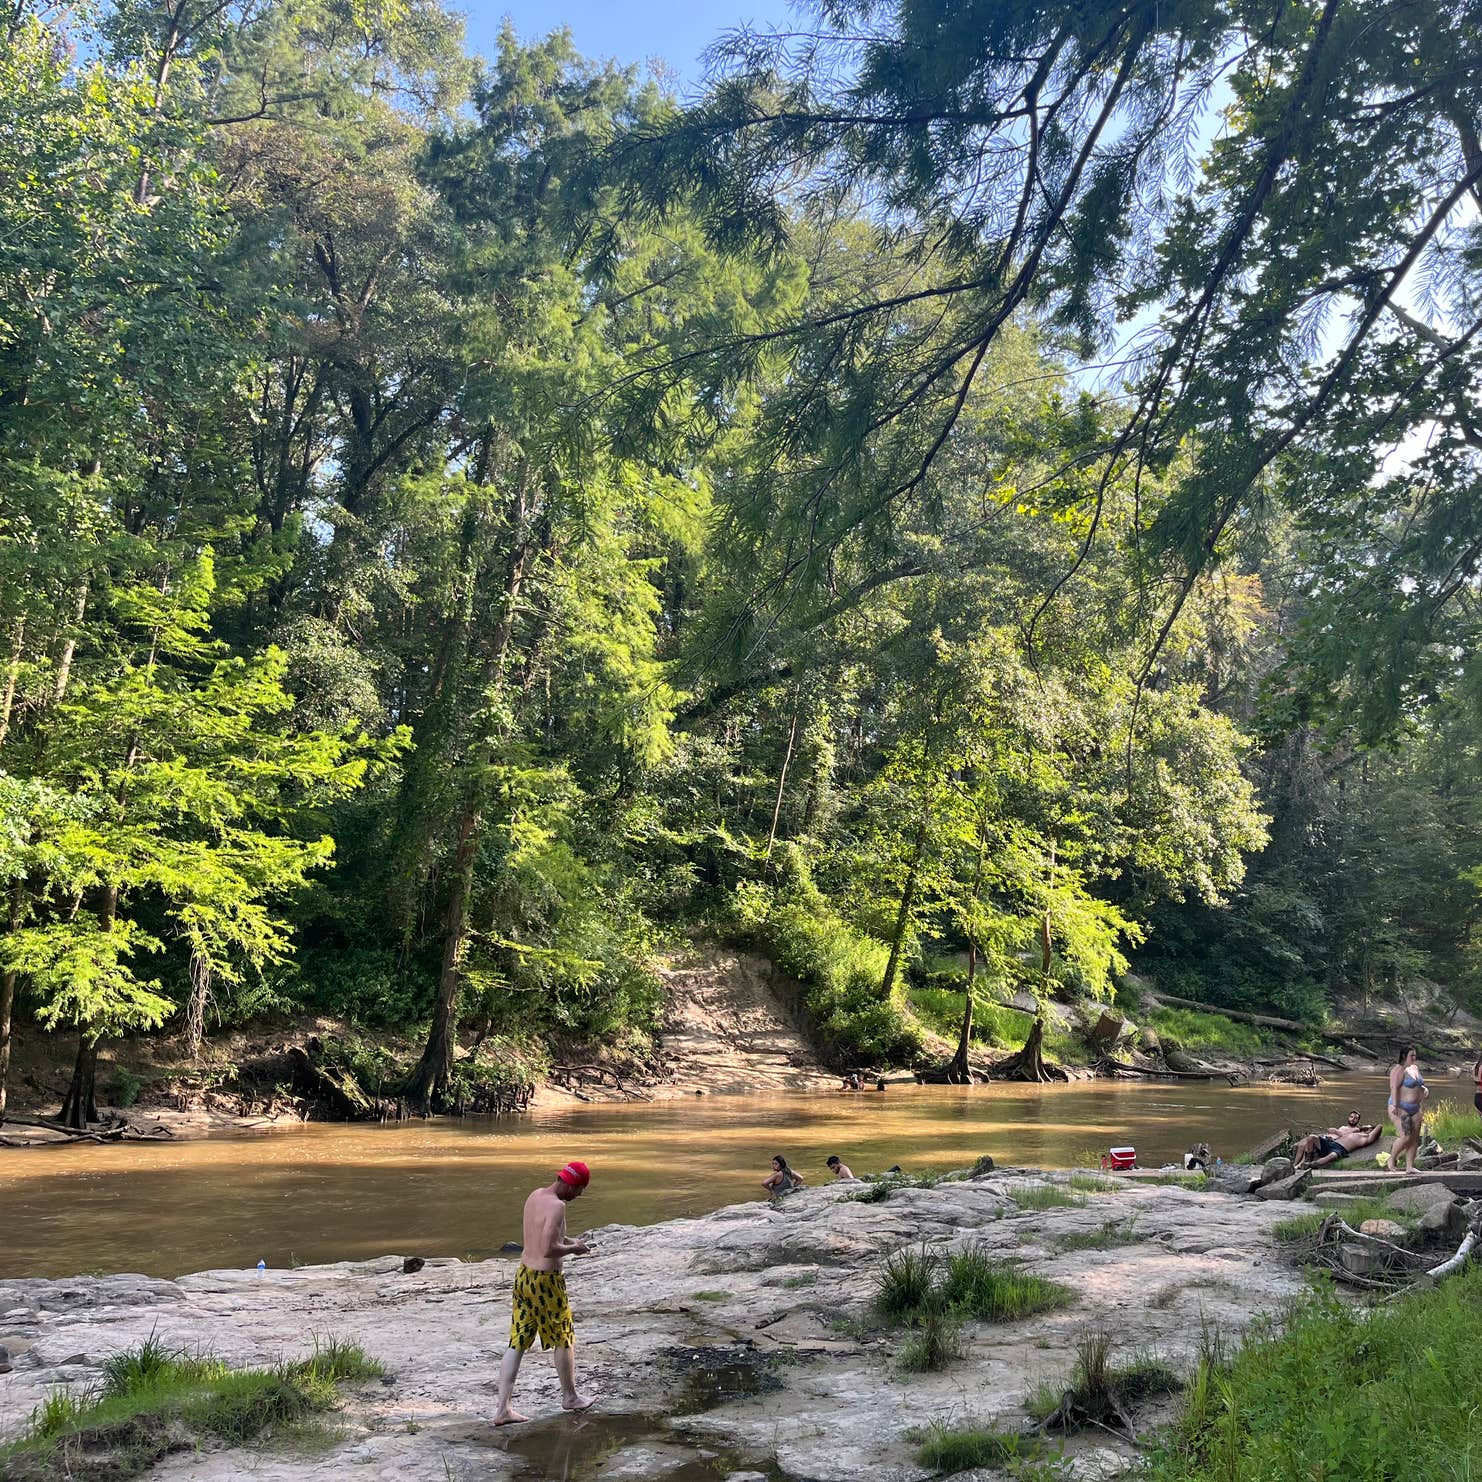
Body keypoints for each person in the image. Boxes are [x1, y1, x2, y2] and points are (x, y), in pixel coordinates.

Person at [493, 1160, 596, 1426]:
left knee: (517, 1341)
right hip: (546, 1281)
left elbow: (539, 1236)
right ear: (571, 1185)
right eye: (580, 1190)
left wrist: (571, 1240)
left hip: (524, 1276)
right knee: (564, 1336)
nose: (580, 1196)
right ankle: (570, 1397)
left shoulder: (536, 1195)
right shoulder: (559, 1206)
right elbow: (549, 1248)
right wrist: (574, 1250)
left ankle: (502, 1409)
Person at [1388, 1047, 1428, 1175]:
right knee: (1406, 1137)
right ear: (1404, 1056)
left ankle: (1409, 1167)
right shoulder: (1398, 1069)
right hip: (1401, 1107)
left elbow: (1418, 1084)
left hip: (1415, 1108)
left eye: (1415, 1055)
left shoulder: (1414, 1068)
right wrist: (1394, 1105)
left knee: (1415, 1138)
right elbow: (1394, 1087)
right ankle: (1391, 1159)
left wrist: (1424, 1089)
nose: (1414, 1058)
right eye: (1412, 1056)